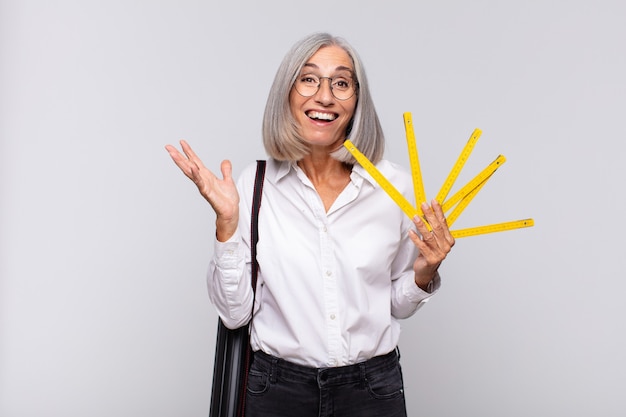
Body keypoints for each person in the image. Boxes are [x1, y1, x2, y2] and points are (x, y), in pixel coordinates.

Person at [165, 32, 454, 417]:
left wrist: (423, 273)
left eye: (341, 82)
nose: (324, 96)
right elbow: (235, 314)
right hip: (278, 391)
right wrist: (227, 224)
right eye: (309, 78)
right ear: (288, 93)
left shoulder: (394, 187)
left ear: (357, 101)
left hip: (371, 390)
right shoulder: (255, 184)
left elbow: (395, 306)